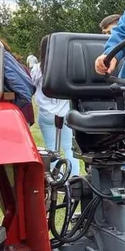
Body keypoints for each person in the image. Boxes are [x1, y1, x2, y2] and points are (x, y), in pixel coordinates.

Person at [27, 38, 80, 177]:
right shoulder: (67, 67)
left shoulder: (38, 68)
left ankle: (58, 179)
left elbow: (30, 86)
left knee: (51, 149)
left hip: (46, 113)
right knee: (69, 147)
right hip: (64, 112)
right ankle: (74, 178)